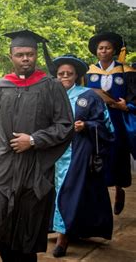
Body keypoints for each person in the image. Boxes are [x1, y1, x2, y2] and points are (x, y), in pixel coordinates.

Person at [0, 29, 74, 261]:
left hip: (34, 169)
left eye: (30, 54)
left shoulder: (51, 86)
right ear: (11, 57)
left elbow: (65, 125)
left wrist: (33, 140)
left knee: (27, 228)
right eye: (20, 55)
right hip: (2, 167)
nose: (25, 59)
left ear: (36, 55)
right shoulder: (0, 87)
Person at [50, 55, 114, 258]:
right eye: (61, 73)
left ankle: (64, 236)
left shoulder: (88, 96)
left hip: (78, 153)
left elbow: (107, 126)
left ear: (77, 75)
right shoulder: (50, 95)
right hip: (53, 152)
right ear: (56, 75)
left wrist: (87, 126)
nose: (65, 76)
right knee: (51, 191)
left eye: (69, 73)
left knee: (69, 191)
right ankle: (59, 227)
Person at [86, 32, 131, 215]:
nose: (104, 51)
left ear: (114, 51)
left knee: (118, 154)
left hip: (118, 120)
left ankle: (119, 190)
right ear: (96, 51)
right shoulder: (88, 73)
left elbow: (132, 95)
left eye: (107, 48)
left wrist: (127, 105)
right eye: (100, 48)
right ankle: (100, 196)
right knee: (97, 156)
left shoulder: (125, 71)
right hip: (96, 121)